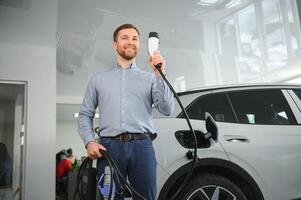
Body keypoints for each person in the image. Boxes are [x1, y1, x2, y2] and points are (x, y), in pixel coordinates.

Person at [77, 23, 174, 200]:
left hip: (142, 147)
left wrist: (160, 73)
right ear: (115, 44)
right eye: (125, 38)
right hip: (109, 149)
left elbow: (167, 109)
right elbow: (85, 115)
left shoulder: (151, 78)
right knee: (110, 198)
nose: (131, 42)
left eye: (135, 38)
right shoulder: (98, 79)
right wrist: (89, 141)